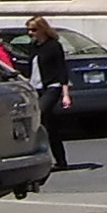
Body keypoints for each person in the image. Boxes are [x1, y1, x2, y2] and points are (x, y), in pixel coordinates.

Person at [24, 15, 72, 168]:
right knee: (50, 125)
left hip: (52, 87)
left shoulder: (53, 46)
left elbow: (62, 69)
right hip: (35, 87)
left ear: (43, 29)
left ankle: (37, 154)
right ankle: (60, 160)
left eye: (33, 29)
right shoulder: (34, 46)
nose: (30, 33)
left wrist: (65, 94)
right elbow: (30, 69)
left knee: (40, 114)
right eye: (29, 30)